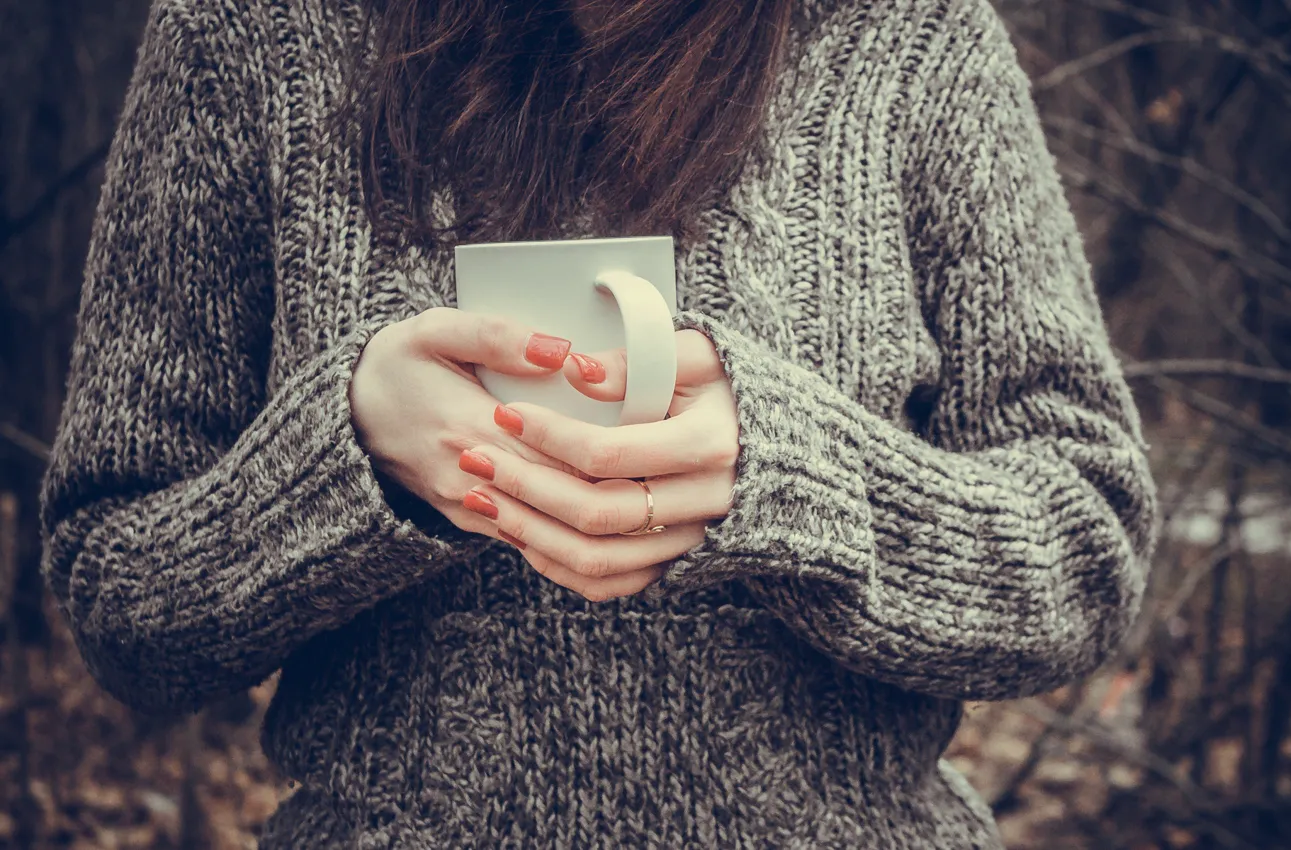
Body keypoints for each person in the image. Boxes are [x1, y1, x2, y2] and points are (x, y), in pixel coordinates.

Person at [40, 0, 1160, 846]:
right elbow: (118, 594)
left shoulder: (907, 36)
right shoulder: (252, 35)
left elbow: (1089, 544)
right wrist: (348, 455)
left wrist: (800, 473)